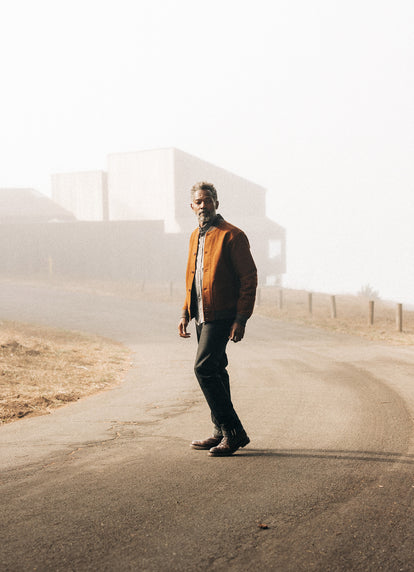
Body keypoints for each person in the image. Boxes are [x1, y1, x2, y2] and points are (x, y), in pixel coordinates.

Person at [178, 181, 257, 456]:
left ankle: (233, 432)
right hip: (201, 314)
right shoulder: (194, 236)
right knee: (217, 370)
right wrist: (186, 312)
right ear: (192, 207)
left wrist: (241, 319)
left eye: (208, 200)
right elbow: (193, 277)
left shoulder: (233, 236)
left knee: (204, 368)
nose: (203, 205)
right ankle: (220, 431)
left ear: (217, 203)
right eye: (198, 202)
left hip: (222, 315)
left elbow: (249, 279)